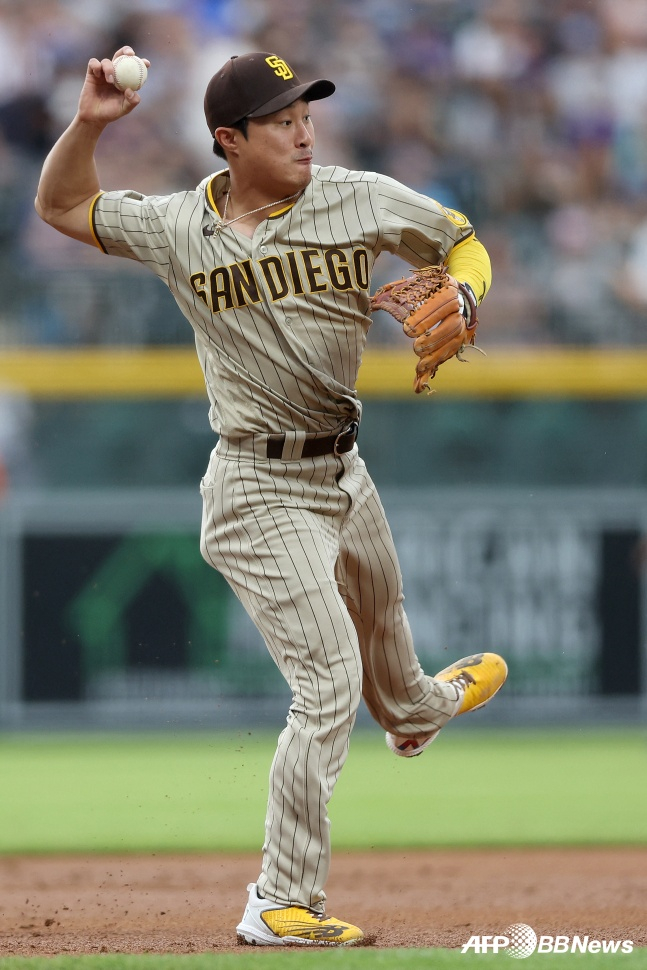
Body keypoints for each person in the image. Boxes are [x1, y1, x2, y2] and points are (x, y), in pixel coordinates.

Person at [35, 47, 508, 947]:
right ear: (230, 140)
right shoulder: (178, 225)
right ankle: (279, 902)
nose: (303, 128)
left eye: (306, 112)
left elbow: (459, 237)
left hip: (342, 468)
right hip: (255, 480)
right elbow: (59, 205)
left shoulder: (356, 196)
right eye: (282, 118)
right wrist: (90, 123)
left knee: (391, 669)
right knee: (329, 675)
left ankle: (419, 710)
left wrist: (469, 296)